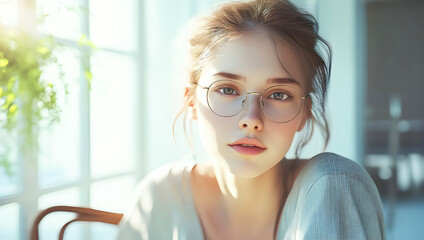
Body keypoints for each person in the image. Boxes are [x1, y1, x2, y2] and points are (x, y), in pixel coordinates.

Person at [117, 0, 386, 239]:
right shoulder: (157, 198)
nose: (251, 119)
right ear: (191, 102)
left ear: (305, 112)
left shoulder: (333, 185)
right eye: (227, 89)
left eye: (279, 94)